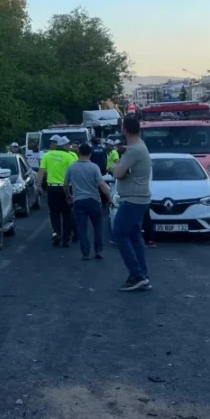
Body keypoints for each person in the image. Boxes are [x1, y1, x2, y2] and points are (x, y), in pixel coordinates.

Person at [110, 117, 153, 291]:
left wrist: (115, 166)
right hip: (139, 198)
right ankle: (142, 275)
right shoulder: (139, 147)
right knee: (135, 237)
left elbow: (118, 173)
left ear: (125, 130)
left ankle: (137, 274)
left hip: (132, 199)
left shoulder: (133, 150)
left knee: (119, 234)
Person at [65, 143, 111, 260]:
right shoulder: (94, 167)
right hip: (94, 200)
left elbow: (65, 184)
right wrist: (110, 198)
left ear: (78, 153)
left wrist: (68, 195)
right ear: (90, 154)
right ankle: (98, 251)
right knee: (97, 227)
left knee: (82, 228)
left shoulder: (71, 167)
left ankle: (86, 253)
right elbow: (101, 184)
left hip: (78, 201)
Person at [36, 135, 78, 247]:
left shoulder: (48, 155)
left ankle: (56, 234)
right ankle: (66, 239)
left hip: (52, 188)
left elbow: (41, 172)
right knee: (67, 214)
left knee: (54, 213)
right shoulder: (69, 157)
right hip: (66, 188)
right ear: (63, 146)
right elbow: (74, 174)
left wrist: (38, 185)